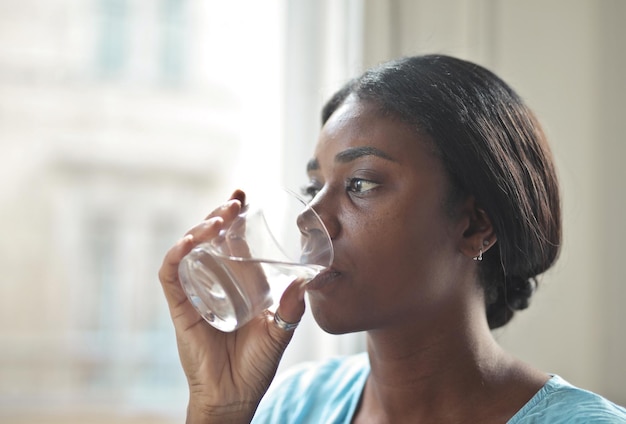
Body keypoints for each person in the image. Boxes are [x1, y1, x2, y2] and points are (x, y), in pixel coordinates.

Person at [159, 55, 626, 423]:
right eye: (311, 188)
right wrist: (217, 413)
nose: (308, 217)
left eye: (360, 183)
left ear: (474, 225)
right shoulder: (293, 407)